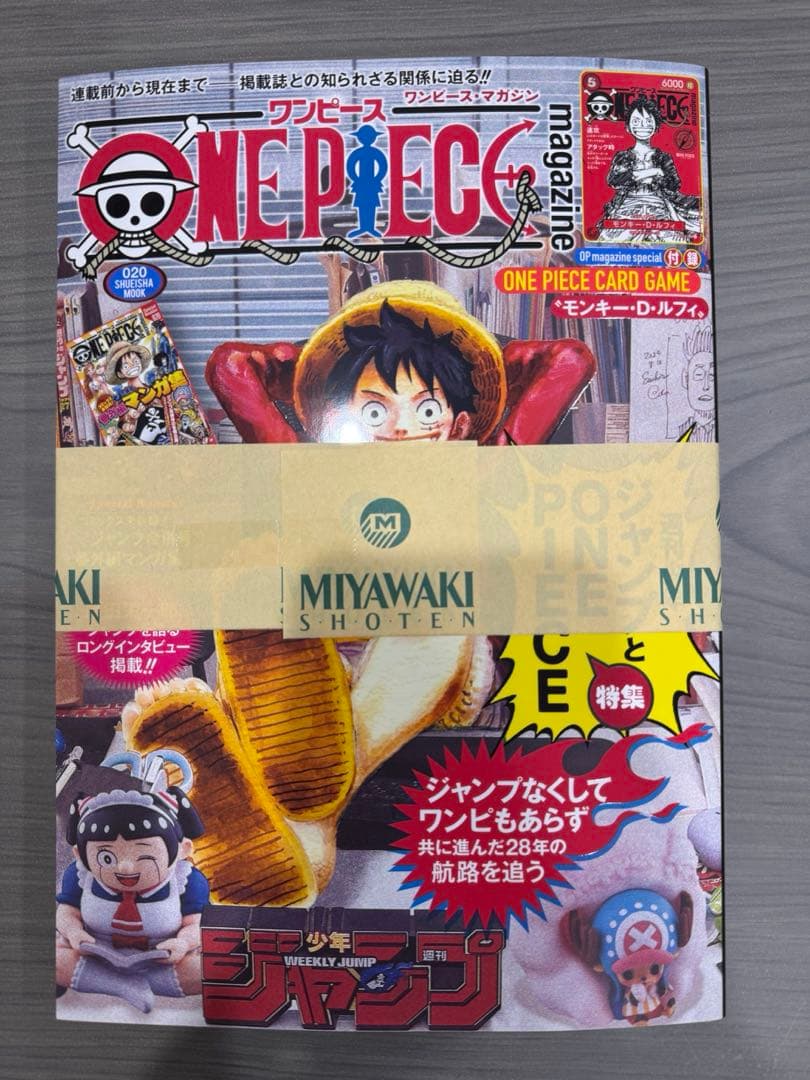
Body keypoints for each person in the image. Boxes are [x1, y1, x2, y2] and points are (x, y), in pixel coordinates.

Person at [56, 785, 208, 1013]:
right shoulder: (80, 876)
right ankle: (120, 986)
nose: (125, 867)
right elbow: (67, 912)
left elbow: (196, 923)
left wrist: (183, 943)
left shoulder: (187, 880)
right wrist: (73, 932)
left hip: (161, 958)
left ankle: (108, 981)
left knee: (206, 969)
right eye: (107, 857)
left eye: (143, 855)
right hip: (95, 953)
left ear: (182, 850)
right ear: (81, 855)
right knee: (51, 958)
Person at [596, 94, 701, 245]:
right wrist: (654, 172)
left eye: (648, 121)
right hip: (628, 205)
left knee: (674, 241)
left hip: (658, 204)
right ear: (628, 127)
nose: (642, 126)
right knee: (608, 241)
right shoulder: (623, 156)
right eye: (636, 121)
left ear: (656, 126)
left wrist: (640, 175)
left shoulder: (663, 156)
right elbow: (614, 180)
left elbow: (674, 183)